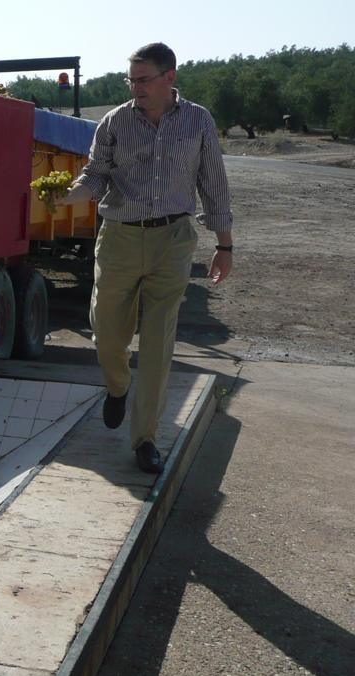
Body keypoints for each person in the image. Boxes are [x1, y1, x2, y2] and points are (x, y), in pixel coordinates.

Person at [56, 42, 233, 474]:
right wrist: (70, 195)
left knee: (158, 342)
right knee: (106, 332)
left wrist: (224, 247)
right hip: (118, 238)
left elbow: (214, 185)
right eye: (131, 80)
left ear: (169, 77)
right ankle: (117, 386)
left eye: (143, 79)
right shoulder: (115, 121)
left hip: (172, 240)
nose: (135, 87)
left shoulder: (198, 121)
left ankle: (146, 438)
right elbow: (95, 173)